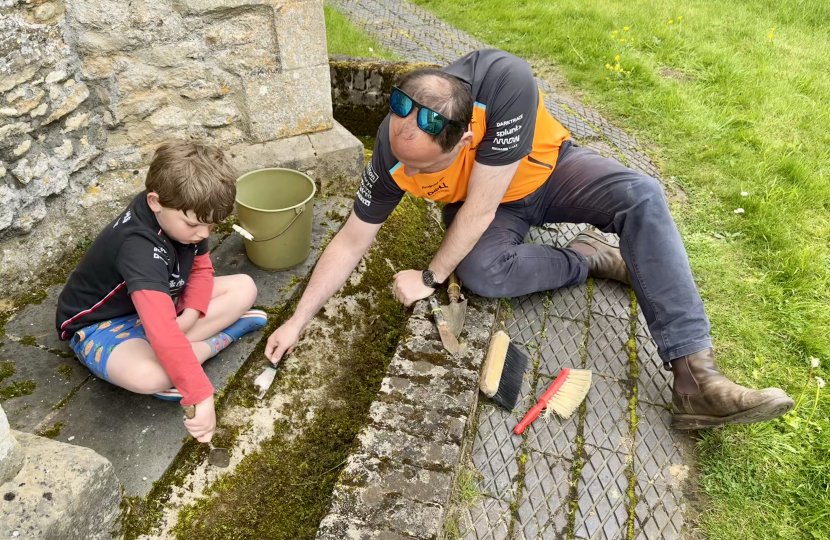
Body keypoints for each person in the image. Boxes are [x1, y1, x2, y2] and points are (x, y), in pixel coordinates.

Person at [265, 49, 794, 429]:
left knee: (641, 195)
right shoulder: (392, 143)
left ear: (467, 137)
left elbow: (482, 204)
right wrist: (297, 319)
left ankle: (695, 378)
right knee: (482, 273)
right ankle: (588, 259)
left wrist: (429, 276)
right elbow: (352, 239)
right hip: (497, 208)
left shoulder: (504, 81)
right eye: (402, 161)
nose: (406, 172)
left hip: (547, 170)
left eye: (424, 166)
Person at [56, 141, 267, 442]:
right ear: (154, 201)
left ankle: (176, 356)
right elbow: (162, 331)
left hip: (159, 307)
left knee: (244, 286)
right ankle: (225, 336)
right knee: (150, 376)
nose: (204, 235)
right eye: (195, 225)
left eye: (211, 226)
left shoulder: (183, 214)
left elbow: (201, 269)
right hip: (101, 325)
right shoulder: (138, 248)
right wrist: (201, 395)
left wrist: (190, 316)